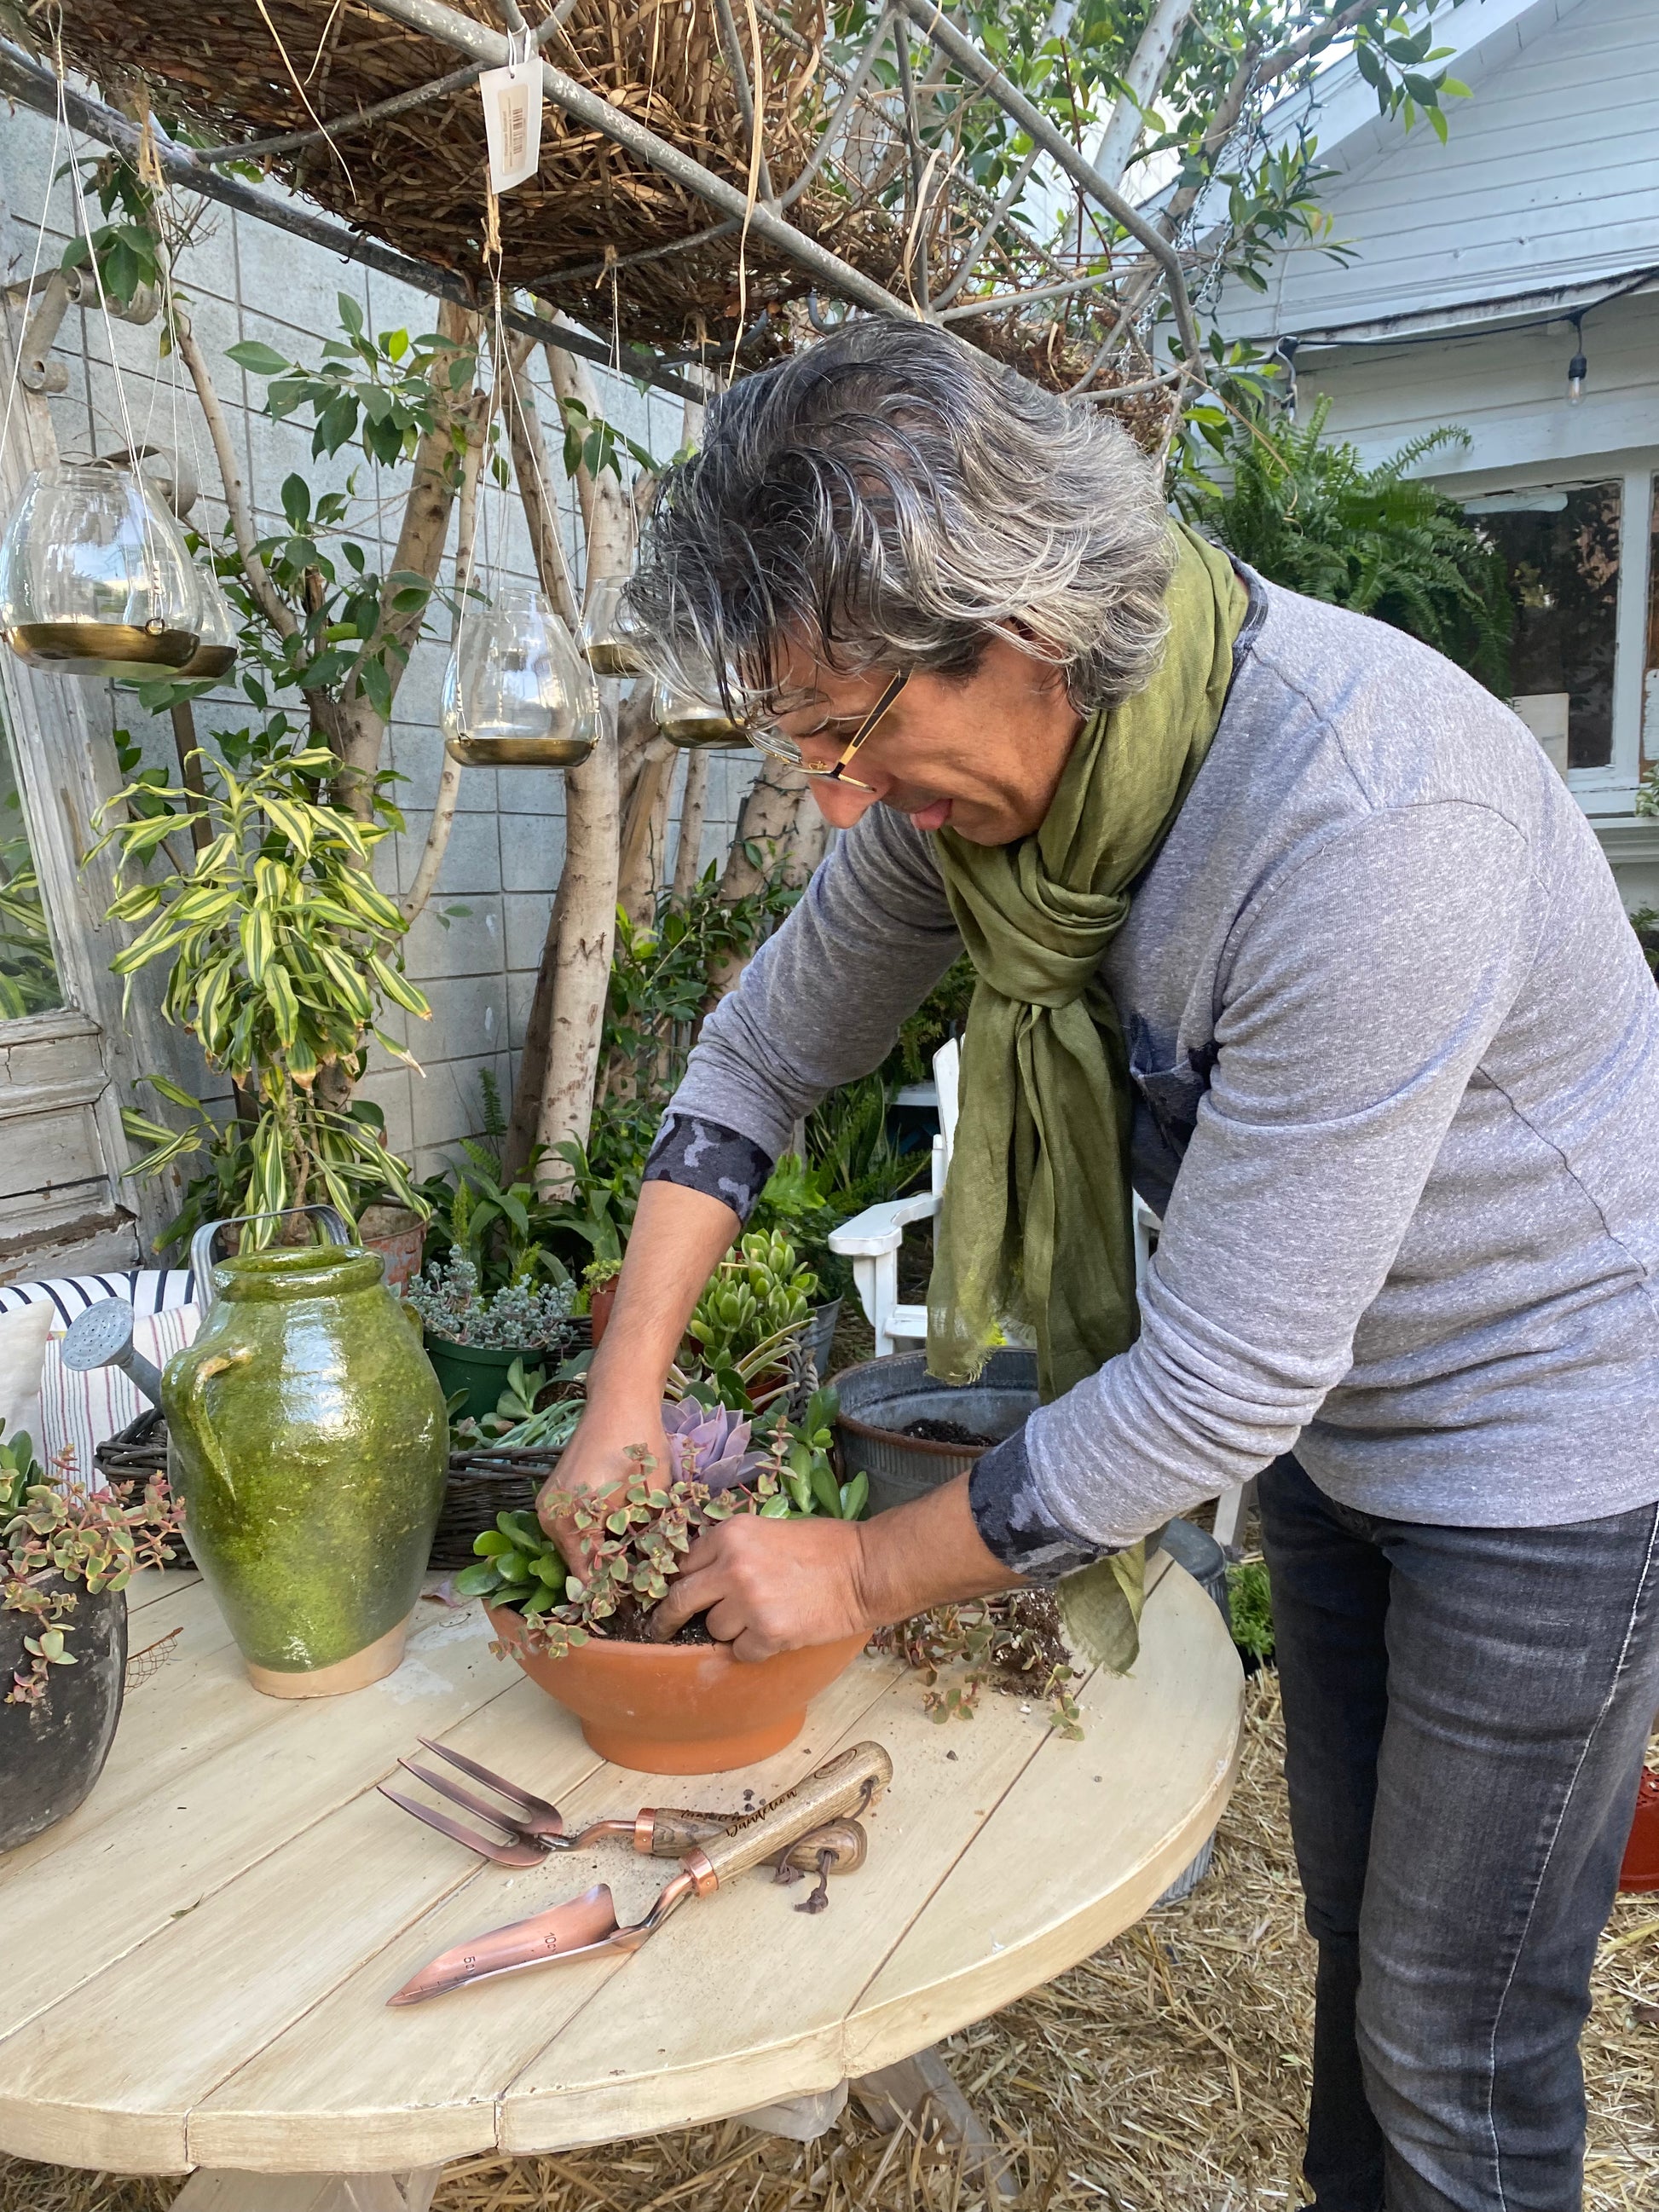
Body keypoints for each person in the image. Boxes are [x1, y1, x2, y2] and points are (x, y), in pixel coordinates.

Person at [548, 321, 1659, 2212]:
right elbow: (756, 1060)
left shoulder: (1368, 820)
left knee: (1457, 2039)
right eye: (797, 739)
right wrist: (623, 1396)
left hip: (1548, 1436)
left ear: (1023, 629)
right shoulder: (987, 818)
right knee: (1356, 1942)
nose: (834, 796)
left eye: (844, 730)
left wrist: (861, 1572)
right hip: (1346, 1418)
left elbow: (1222, 1382)